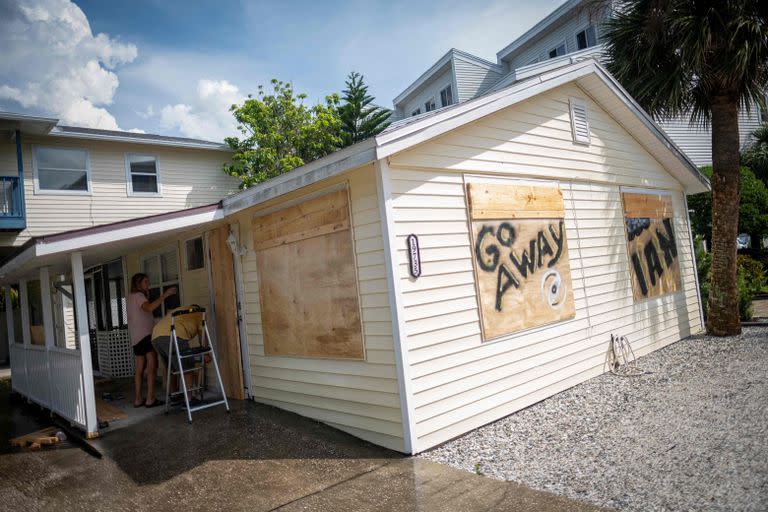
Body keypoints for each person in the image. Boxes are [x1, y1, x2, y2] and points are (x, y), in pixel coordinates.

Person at [127, 273, 177, 408]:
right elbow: (148, 308)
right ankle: (150, 398)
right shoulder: (139, 296)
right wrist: (165, 295)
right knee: (152, 366)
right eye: (145, 282)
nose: (147, 284)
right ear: (138, 284)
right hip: (145, 335)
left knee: (139, 367)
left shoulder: (131, 297)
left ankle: (138, 399)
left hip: (136, 337)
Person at [151, 305, 210, 406]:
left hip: (156, 337)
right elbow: (203, 336)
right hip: (173, 335)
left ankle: (174, 396)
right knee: (188, 366)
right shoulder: (200, 314)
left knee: (171, 368)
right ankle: (189, 400)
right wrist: (206, 353)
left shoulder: (181, 310)